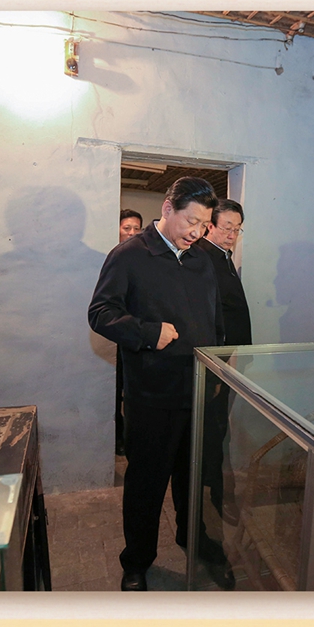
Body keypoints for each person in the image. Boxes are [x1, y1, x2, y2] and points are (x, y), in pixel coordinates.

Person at [87, 176, 233, 589]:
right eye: (191, 221)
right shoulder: (130, 255)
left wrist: (218, 363)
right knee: (146, 484)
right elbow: (100, 313)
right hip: (152, 394)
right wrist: (148, 333)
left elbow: (215, 317)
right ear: (168, 208)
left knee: (194, 477)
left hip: (199, 388)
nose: (196, 232)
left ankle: (194, 539)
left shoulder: (203, 258)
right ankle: (136, 561)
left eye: (204, 224)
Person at [193, 199, 251, 525]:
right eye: (226, 227)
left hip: (227, 361)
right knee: (214, 432)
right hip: (215, 364)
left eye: (237, 229)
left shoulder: (222, 257)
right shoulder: (204, 259)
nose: (232, 234)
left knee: (218, 430)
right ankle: (217, 493)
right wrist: (217, 369)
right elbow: (207, 318)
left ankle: (214, 489)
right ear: (210, 226)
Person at [114, 209, 143, 454]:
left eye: (136, 228)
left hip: (135, 333)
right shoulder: (115, 259)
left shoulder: (142, 260)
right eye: (127, 228)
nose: (132, 233)